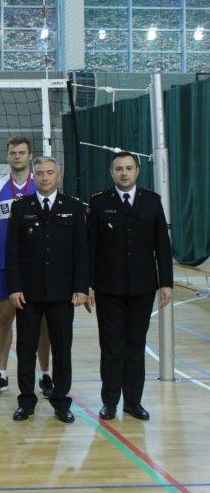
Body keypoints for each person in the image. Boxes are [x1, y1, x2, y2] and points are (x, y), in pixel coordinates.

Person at [86, 151, 173, 421]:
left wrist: (166, 283)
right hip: (108, 288)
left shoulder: (152, 201)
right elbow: (90, 247)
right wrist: (88, 285)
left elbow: (162, 244)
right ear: (111, 172)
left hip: (142, 288)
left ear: (137, 171)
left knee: (135, 346)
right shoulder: (99, 202)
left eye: (129, 168)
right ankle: (110, 402)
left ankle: (133, 402)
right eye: (119, 168)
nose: (124, 173)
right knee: (111, 347)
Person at [6, 157, 88, 424]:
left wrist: (81, 287)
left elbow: (81, 250)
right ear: (34, 176)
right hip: (28, 294)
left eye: (50, 173)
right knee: (26, 349)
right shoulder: (21, 207)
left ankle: (61, 402)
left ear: (58, 176)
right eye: (40, 173)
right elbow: (12, 251)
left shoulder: (74, 207)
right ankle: (26, 401)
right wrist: (14, 287)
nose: (45, 178)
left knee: (62, 349)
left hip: (62, 293)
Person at [0, 136, 53, 398]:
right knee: (4, 318)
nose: (17, 156)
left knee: (42, 321)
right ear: (8, 156)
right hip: (4, 264)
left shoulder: (41, 184)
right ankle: (1, 374)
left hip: (37, 265)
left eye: (22, 152)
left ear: (29, 155)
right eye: (13, 152)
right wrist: (9, 243)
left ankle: (45, 374)